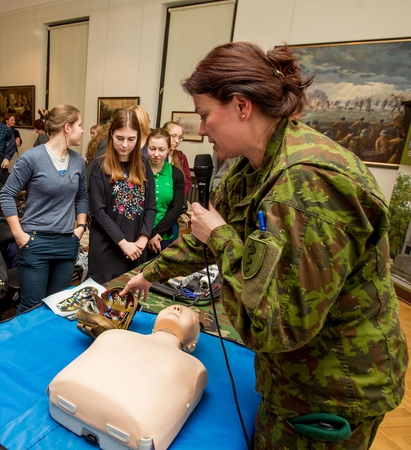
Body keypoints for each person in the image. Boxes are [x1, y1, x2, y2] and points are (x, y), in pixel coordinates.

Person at [121, 42, 408, 450]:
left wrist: (220, 238)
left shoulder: (305, 183)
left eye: (205, 115)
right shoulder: (255, 165)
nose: (201, 130)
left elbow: (278, 326)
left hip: (330, 389)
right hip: (293, 379)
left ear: (241, 106)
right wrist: (148, 274)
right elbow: (205, 234)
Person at [49, 305, 207, 450]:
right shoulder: (113, 335)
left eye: (188, 315)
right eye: (171, 308)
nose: (177, 308)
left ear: (192, 344)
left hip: (71, 403)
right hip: (119, 430)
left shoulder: (194, 368)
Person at [0, 105, 88, 315]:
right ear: (67, 127)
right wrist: (19, 235)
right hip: (35, 243)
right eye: (79, 125)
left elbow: (82, 197)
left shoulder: (78, 161)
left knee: (59, 305)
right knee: (32, 307)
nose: (82, 130)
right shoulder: (32, 158)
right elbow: (6, 194)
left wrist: (81, 227)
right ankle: (22, 348)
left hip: (67, 242)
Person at [88, 109, 156, 284]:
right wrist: (123, 243)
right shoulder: (99, 166)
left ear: (138, 137)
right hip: (107, 253)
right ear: (111, 135)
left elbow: (150, 207)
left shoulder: (144, 165)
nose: (125, 145)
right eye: (120, 138)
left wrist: (143, 238)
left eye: (131, 139)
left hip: (137, 252)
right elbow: (98, 212)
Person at [146, 128, 185, 256]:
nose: (156, 154)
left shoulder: (176, 174)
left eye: (161, 150)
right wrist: (146, 234)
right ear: (146, 147)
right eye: (152, 148)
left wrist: (156, 233)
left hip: (164, 236)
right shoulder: (138, 169)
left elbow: (176, 208)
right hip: (138, 236)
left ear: (169, 149)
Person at [163, 121, 192, 196]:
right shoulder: (157, 155)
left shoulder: (181, 157)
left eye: (180, 137)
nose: (177, 141)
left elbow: (187, 181)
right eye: (173, 136)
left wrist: (179, 196)